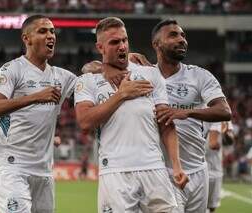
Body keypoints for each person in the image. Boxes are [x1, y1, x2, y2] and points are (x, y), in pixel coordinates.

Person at [83, 18, 232, 213]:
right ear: (156, 44)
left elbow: (225, 111)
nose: (181, 40)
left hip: (198, 169)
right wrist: (105, 68)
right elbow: (89, 67)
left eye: (183, 35)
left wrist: (185, 112)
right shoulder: (145, 75)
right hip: (162, 171)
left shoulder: (200, 76)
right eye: (173, 35)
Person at [75, 17, 187, 213]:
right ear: (100, 47)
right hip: (115, 172)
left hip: (154, 169)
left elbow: (166, 124)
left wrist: (177, 166)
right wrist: (121, 95)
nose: (122, 46)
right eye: (114, 42)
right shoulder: (88, 80)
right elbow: (85, 122)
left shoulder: (150, 75)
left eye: (124, 40)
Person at [0, 15, 77, 213]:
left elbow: (89, 80)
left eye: (52, 31)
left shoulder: (62, 77)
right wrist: (35, 97)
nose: (50, 36)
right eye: (42, 31)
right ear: (26, 38)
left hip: (44, 170)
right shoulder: (11, 70)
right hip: (12, 167)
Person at [204, 121, 234, 212]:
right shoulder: (196, 110)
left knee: (212, 206)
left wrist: (225, 133)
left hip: (214, 168)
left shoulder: (224, 118)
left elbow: (230, 141)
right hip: (197, 167)